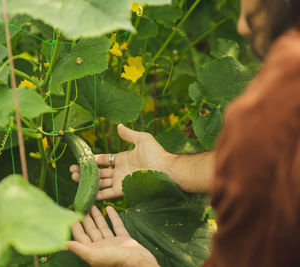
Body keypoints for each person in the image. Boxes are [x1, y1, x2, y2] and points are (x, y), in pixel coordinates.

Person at [68, 0, 300, 266]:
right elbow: (265, 161)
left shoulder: (278, 105)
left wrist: (140, 264)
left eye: (256, 13)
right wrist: (167, 165)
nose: (241, 27)